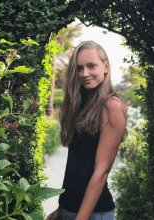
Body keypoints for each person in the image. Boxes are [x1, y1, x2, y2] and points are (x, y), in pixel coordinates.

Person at [47, 41, 127, 220]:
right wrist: (60, 210)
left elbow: (101, 171)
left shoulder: (111, 105)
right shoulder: (82, 104)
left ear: (106, 66)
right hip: (68, 209)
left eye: (92, 66)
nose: (84, 74)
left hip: (94, 213)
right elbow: (77, 166)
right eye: (79, 68)